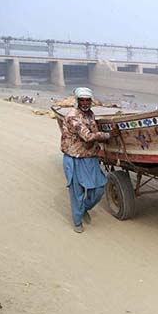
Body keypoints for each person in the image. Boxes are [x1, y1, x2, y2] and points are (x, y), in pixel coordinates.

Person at [60, 87, 119, 233]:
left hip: (90, 157)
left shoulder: (90, 114)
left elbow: (92, 133)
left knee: (99, 189)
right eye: (82, 100)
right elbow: (87, 136)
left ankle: (84, 208)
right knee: (77, 192)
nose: (85, 103)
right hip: (75, 158)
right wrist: (108, 135)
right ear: (77, 101)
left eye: (88, 100)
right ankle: (77, 221)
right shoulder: (72, 117)